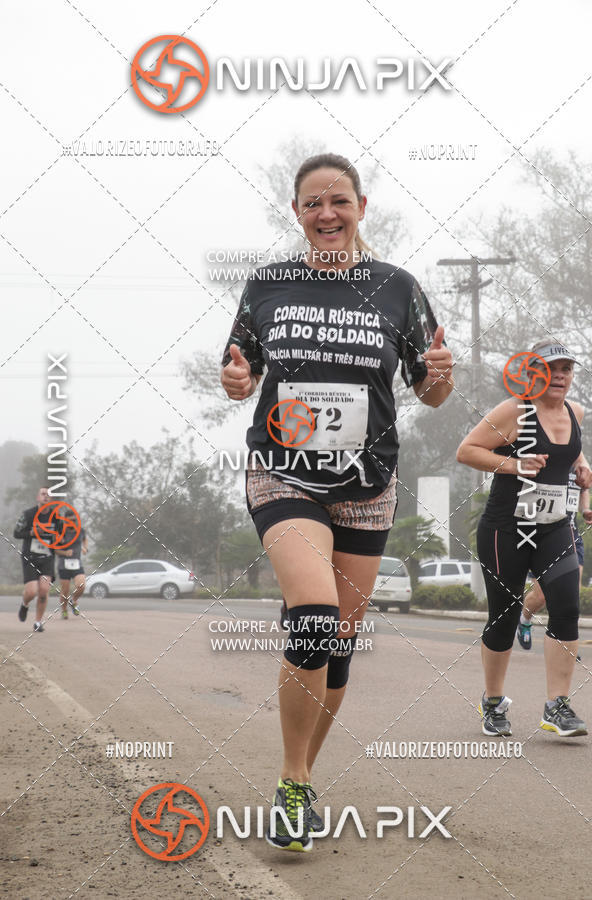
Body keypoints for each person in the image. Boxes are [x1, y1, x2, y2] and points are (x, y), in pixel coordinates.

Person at [221, 152, 454, 851]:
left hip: (368, 485)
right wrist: (235, 382)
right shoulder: (268, 286)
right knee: (315, 615)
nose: (327, 213)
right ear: (296, 212)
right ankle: (292, 782)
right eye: (313, 202)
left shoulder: (398, 289)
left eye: (339, 201)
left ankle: (302, 778)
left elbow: (429, 389)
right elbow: (240, 373)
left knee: (339, 643)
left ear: (360, 207)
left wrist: (442, 376)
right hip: (283, 472)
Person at [457, 340, 592, 738]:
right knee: (504, 618)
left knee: (566, 604)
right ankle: (494, 702)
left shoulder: (576, 413)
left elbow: (574, 457)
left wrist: (585, 472)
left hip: (554, 525)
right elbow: (467, 451)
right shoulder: (515, 410)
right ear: (533, 372)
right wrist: (515, 464)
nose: (562, 376)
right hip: (506, 528)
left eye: (568, 369)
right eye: (554, 368)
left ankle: (557, 705)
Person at [517, 473, 592, 650]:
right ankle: (524, 621)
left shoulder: (578, 462)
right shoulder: (549, 457)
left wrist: (585, 510)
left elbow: (583, 490)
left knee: (570, 597)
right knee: (541, 596)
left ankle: (563, 644)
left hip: (572, 536)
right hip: (544, 535)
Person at [14, 487, 55, 633]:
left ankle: (38, 622)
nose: (46, 496)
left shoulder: (56, 516)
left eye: (49, 495)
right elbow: (16, 533)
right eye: (43, 494)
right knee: (32, 592)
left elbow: (62, 536)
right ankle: (25, 604)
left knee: (44, 590)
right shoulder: (28, 514)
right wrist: (32, 532)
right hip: (30, 556)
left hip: (47, 558)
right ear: (38, 497)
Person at [55, 520, 88, 619]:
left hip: (77, 564)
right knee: (65, 591)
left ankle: (74, 600)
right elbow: (55, 550)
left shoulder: (80, 531)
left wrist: (85, 548)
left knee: (81, 585)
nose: (72, 522)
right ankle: (64, 610)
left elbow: (85, 539)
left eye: (74, 520)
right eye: (69, 520)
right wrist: (65, 553)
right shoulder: (60, 532)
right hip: (63, 565)